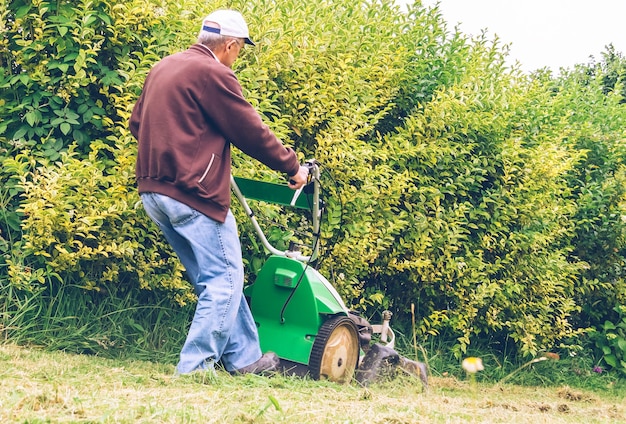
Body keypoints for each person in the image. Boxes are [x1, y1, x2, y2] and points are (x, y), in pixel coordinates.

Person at [129, 9, 309, 375]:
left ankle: (245, 360)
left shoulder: (164, 67)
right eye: (240, 49)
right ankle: (195, 367)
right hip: (193, 193)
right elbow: (250, 131)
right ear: (229, 44)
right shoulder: (214, 73)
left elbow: (137, 124)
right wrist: (293, 166)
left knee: (217, 279)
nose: (237, 56)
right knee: (224, 282)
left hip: (154, 191)